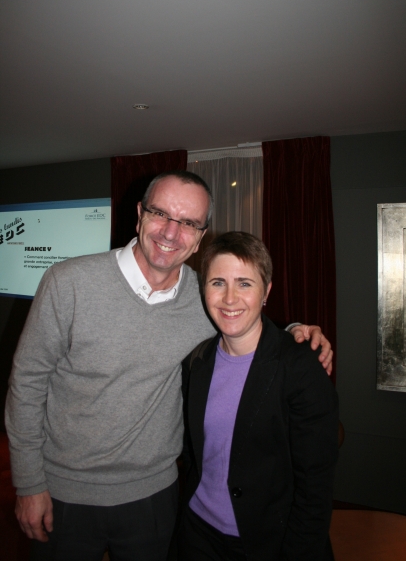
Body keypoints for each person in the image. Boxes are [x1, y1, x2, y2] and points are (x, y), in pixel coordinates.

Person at [5, 171, 333, 561]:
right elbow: (27, 383)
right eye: (161, 213)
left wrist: (295, 331)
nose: (171, 232)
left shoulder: (203, 296)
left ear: (200, 236)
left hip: (155, 498)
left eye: (189, 222)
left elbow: (245, 320)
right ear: (139, 214)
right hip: (64, 494)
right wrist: (29, 483)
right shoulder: (68, 282)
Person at [179, 231, 339, 560]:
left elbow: (315, 490)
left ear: (266, 291)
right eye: (218, 282)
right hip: (198, 533)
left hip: (267, 541)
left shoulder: (300, 368)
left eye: (245, 283)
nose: (230, 298)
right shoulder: (197, 361)